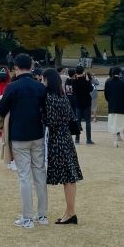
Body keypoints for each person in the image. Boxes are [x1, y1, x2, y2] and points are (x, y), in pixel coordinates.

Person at [0, 53, 48, 228]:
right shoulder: (40, 87)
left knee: (24, 176)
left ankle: (27, 217)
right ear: (31, 66)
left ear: (16, 68)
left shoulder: (12, 87)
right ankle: (42, 215)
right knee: (39, 173)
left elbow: (2, 110)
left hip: (19, 136)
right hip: (37, 134)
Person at [42, 68, 82, 224]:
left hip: (57, 140)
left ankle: (71, 213)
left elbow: (49, 121)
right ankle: (69, 211)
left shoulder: (49, 98)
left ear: (47, 80)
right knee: (70, 177)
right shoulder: (62, 97)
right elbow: (72, 118)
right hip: (66, 139)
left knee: (68, 178)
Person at [104, 67, 124, 147]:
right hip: (122, 108)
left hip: (112, 107)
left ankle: (115, 142)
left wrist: (110, 101)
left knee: (113, 125)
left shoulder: (108, 82)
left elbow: (106, 95)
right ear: (120, 73)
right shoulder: (123, 83)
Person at [70, 66, 93, 144]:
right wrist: (88, 80)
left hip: (78, 102)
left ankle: (77, 139)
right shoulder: (86, 81)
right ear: (83, 72)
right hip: (87, 102)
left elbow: (74, 91)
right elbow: (91, 89)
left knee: (78, 121)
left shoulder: (74, 81)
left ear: (76, 72)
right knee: (88, 122)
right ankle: (88, 139)